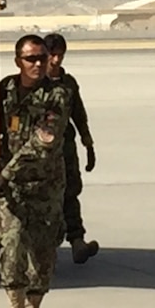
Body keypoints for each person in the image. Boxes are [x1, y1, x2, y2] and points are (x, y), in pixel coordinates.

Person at [0, 34, 69, 308]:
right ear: (18, 62)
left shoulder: (58, 95)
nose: (39, 63)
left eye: (42, 57)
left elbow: (43, 143)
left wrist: (6, 174)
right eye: (31, 59)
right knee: (11, 245)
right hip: (12, 192)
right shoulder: (4, 90)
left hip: (45, 186)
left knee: (42, 255)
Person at [43, 33, 99, 264]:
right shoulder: (33, 82)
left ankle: (77, 241)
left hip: (65, 147)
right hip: (39, 151)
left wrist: (88, 143)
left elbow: (79, 114)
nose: (56, 60)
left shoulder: (69, 83)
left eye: (60, 55)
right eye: (52, 55)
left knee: (70, 192)